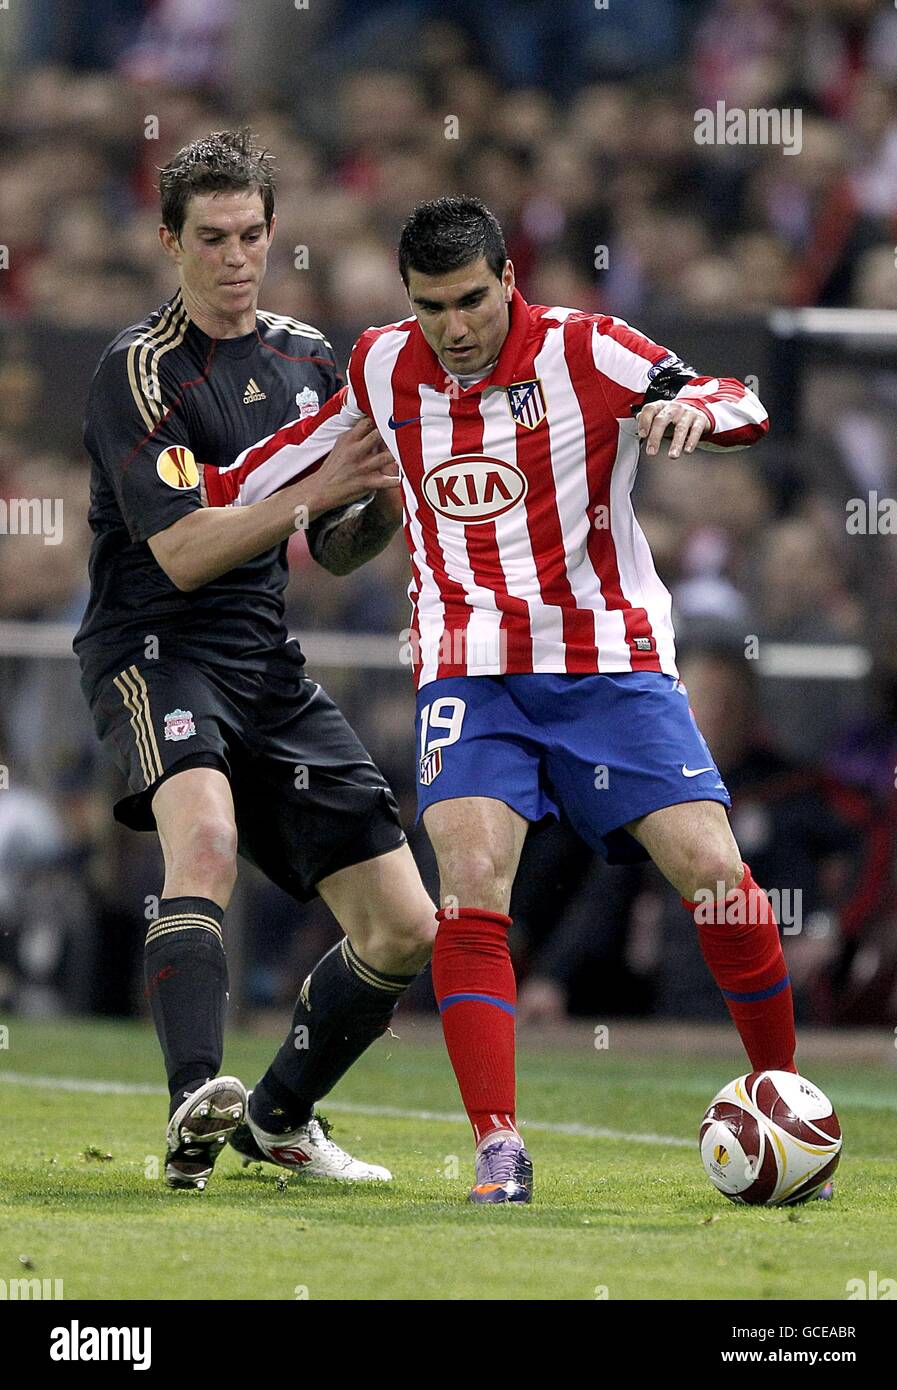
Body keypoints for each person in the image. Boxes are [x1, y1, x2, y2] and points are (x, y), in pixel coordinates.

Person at [204, 196, 796, 1205]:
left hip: (608, 661)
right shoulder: (386, 367)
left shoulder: (591, 351)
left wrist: (698, 411)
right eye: (432, 306)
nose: (455, 326)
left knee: (714, 870)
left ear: (508, 281)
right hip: (468, 668)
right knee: (470, 881)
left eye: (473, 300)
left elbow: (738, 397)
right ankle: (498, 1148)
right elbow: (298, 454)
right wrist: (197, 492)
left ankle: (782, 1096)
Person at [73, 129, 436, 1191]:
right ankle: (194, 1096)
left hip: (264, 662)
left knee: (405, 924)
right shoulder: (137, 373)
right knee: (210, 844)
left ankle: (277, 1118)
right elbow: (183, 553)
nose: (236, 257)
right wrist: (310, 494)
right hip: (156, 648)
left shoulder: (309, 359)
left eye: (252, 235)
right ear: (169, 244)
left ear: (273, 235)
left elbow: (330, 545)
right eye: (212, 238)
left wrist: (385, 501)